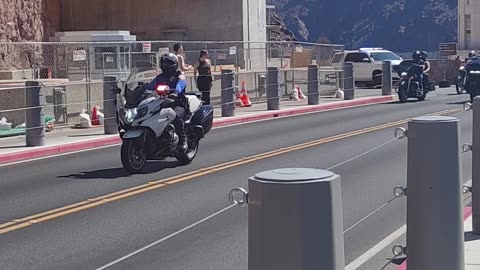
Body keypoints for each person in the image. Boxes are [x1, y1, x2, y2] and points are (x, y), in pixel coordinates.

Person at [146, 53, 188, 151]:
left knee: (176, 116)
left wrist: (176, 92)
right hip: (161, 103)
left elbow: (182, 83)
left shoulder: (179, 75)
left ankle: (182, 140)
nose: (166, 66)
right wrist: (140, 90)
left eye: (169, 63)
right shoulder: (160, 77)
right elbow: (149, 86)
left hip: (178, 103)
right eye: (164, 63)